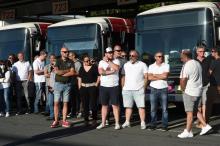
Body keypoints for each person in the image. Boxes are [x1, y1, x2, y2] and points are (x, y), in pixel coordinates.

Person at [178, 50, 212, 138]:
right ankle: (205, 126)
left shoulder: (186, 65)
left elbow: (183, 79)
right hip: (198, 91)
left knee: (189, 112)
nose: (181, 59)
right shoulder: (197, 63)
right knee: (195, 110)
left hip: (189, 91)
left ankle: (188, 131)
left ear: (185, 56)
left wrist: (182, 89)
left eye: (181, 57)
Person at [121, 50, 148, 129]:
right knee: (128, 107)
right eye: (130, 55)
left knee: (141, 107)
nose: (131, 57)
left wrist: (144, 87)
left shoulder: (142, 64)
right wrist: (123, 88)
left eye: (133, 56)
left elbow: (146, 77)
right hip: (127, 89)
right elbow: (123, 76)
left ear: (137, 56)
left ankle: (143, 122)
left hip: (139, 89)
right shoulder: (126, 65)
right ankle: (127, 121)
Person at [50, 47, 75, 128]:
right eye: (64, 52)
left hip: (67, 84)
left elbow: (72, 73)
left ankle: (64, 121)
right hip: (58, 84)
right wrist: (67, 71)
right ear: (61, 52)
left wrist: (62, 72)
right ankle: (56, 120)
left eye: (67, 52)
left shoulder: (70, 61)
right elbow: (57, 71)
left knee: (65, 103)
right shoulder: (58, 61)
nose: (66, 53)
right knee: (56, 103)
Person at [96, 47, 121, 130]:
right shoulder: (101, 62)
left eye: (111, 52)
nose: (110, 54)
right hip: (104, 86)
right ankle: (103, 123)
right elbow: (101, 72)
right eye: (109, 53)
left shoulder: (116, 60)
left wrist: (108, 61)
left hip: (114, 86)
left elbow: (117, 68)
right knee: (104, 105)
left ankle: (117, 123)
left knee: (115, 105)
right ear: (105, 54)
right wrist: (111, 71)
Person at [148, 51, 170, 131]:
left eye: (162, 56)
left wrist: (154, 75)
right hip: (153, 89)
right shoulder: (151, 66)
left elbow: (165, 76)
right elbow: (149, 78)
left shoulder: (166, 65)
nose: (161, 58)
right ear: (155, 57)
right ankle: (153, 124)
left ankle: (165, 125)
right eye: (159, 56)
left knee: (164, 109)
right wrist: (161, 76)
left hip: (163, 88)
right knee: (153, 108)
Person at [78, 55, 100, 126]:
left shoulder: (94, 67)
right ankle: (86, 120)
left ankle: (94, 120)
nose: (87, 62)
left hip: (92, 87)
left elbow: (99, 76)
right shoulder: (81, 68)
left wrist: (96, 84)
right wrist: (80, 88)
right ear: (83, 61)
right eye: (86, 61)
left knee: (93, 104)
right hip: (83, 87)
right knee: (85, 105)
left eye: (88, 60)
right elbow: (79, 78)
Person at [195, 45, 212, 127]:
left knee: (204, 103)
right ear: (197, 52)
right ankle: (199, 120)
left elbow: (210, 71)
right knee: (198, 104)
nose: (202, 53)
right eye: (200, 51)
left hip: (205, 84)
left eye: (203, 51)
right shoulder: (194, 61)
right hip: (197, 86)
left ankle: (203, 121)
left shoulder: (207, 61)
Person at [208, 47, 220, 121]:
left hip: (215, 85)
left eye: (212, 51)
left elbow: (209, 73)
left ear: (216, 52)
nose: (211, 52)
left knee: (208, 103)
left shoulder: (214, 62)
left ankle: (204, 122)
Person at [68, 52, 82, 118]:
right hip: (71, 82)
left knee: (77, 98)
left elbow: (79, 73)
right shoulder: (70, 63)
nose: (69, 57)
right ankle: (73, 111)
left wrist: (71, 72)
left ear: (73, 56)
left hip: (76, 82)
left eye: (70, 56)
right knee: (72, 98)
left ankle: (78, 111)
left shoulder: (78, 63)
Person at [44, 54, 56, 120]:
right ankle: (52, 115)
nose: (52, 59)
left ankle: (57, 115)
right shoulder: (46, 66)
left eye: (53, 58)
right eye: (51, 58)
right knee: (50, 102)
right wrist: (52, 74)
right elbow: (45, 75)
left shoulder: (57, 66)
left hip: (56, 86)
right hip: (49, 86)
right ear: (49, 59)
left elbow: (57, 74)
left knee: (56, 102)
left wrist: (50, 74)